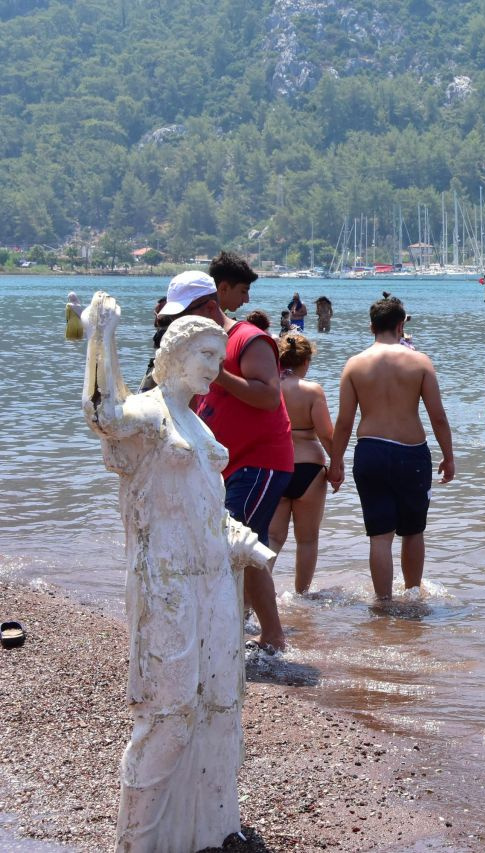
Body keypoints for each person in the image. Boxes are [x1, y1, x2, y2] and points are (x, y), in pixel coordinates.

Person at [82, 295, 271, 853]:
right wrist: (101, 337)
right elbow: (103, 415)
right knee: (168, 712)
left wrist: (242, 541)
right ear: (176, 354)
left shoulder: (195, 420)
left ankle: (210, 830)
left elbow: (206, 507)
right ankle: (140, 842)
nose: (215, 367)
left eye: (219, 356)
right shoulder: (149, 411)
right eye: (205, 355)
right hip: (166, 581)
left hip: (213, 579)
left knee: (220, 704)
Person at [197, 255, 295, 652]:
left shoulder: (248, 338)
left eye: (243, 291)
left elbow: (270, 396)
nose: (247, 296)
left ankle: (272, 637)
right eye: (243, 289)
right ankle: (234, 627)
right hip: (230, 462)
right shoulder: (204, 342)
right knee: (234, 546)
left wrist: (220, 373)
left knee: (241, 546)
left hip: (261, 461)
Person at [331, 296, 455, 601]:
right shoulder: (420, 362)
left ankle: (384, 605)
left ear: (372, 326)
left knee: (380, 535)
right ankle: (413, 596)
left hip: (370, 452)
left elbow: (344, 422)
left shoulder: (354, 365)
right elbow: (437, 416)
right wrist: (449, 456)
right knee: (413, 531)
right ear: (401, 326)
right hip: (411, 453)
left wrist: (336, 463)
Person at [268, 331, 340, 595]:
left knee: (273, 538)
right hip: (309, 468)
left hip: (276, 465)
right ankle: (302, 596)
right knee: (307, 540)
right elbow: (326, 434)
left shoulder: (269, 385)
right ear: (306, 361)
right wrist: (337, 466)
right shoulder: (312, 391)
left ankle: (256, 595)